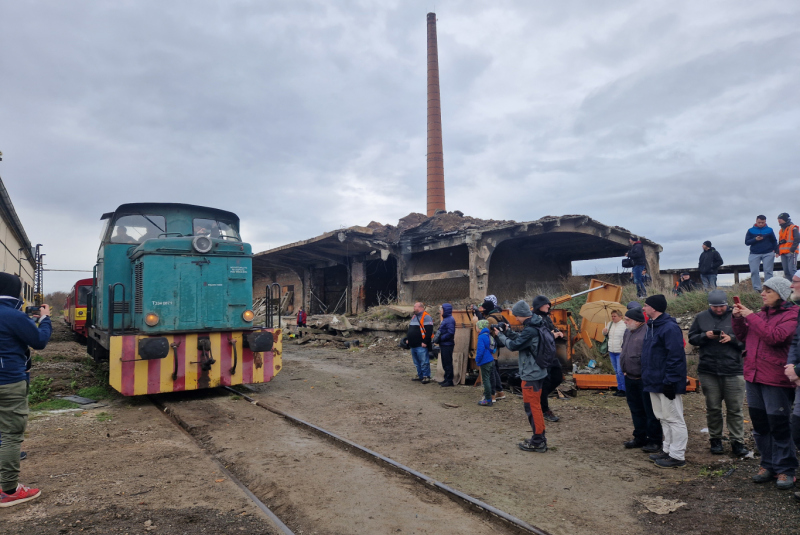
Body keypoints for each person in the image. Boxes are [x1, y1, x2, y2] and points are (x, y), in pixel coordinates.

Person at [732, 277, 799, 490]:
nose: (763, 294)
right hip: (753, 377)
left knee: (779, 424)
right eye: (763, 290)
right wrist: (738, 319)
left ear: (780, 293)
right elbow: (742, 335)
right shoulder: (761, 315)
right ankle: (767, 464)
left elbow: (775, 337)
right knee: (760, 425)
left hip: (776, 379)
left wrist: (751, 316)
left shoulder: (793, 315)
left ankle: (786, 469)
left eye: (768, 291)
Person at [0, 273, 52, 507]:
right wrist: (45, 319)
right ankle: (9, 490)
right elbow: (39, 341)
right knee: (11, 434)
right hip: (8, 382)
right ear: (15, 292)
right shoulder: (12, 315)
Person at [688, 290, 749, 456]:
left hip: (733, 369)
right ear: (710, 305)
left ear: (726, 304)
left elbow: (748, 341)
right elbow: (692, 338)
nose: (719, 309)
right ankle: (715, 440)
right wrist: (705, 336)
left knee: (735, 409)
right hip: (709, 370)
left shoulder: (736, 316)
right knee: (713, 408)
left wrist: (732, 339)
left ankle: (737, 442)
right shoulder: (701, 317)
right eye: (715, 307)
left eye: (721, 306)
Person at [641, 294, 688, 468]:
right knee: (663, 418)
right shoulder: (652, 326)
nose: (644, 308)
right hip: (654, 381)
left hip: (666, 382)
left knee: (674, 418)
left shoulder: (669, 328)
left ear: (654, 308)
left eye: (646, 305)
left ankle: (677, 455)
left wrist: (671, 381)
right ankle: (667, 449)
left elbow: (675, 356)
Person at [495, 300, 549, 453]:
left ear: (521, 315)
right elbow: (522, 339)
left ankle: (538, 441)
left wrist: (500, 335)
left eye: (516, 316)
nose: (515, 319)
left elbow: (513, 346)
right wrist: (508, 331)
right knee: (535, 406)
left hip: (531, 374)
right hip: (539, 371)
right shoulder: (536, 324)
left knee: (532, 408)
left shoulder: (530, 329)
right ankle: (540, 437)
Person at [620, 307, 662, 452]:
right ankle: (640, 437)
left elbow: (650, 355)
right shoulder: (628, 332)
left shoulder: (647, 332)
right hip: (630, 377)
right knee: (635, 409)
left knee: (650, 411)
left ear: (637, 321)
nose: (624, 322)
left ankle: (655, 440)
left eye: (627, 319)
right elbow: (624, 350)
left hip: (643, 379)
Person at [532, 295, 564, 421]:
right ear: (539, 305)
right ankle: (544, 409)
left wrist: (558, 332)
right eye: (546, 304)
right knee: (545, 382)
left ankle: (540, 397)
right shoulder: (535, 318)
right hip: (542, 355)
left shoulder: (547, 317)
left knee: (558, 377)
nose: (548, 306)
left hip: (551, 353)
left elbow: (551, 329)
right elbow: (541, 335)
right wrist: (553, 335)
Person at [477, 295, 507, 401]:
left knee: (490, 373)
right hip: (496, 347)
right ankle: (500, 392)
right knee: (495, 370)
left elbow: (486, 333)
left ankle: (492, 394)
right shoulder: (499, 316)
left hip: (490, 349)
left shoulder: (490, 319)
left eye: (483, 308)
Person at [745, 215, 778, 292]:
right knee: (754, 271)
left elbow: (774, 241)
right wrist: (755, 239)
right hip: (754, 253)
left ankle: (768, 288)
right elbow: (747, 242)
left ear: (765, 222)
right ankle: (757, 289)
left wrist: (775, 250)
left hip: (768, 253)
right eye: (759, 222)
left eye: (762, 222)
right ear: (756, 221)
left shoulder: (770, 230)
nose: (760, 224)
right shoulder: (750, 230)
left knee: (768, 271)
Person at [407, 302, 433, 384]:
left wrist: (425, 341)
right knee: (417, 362)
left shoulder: (426, 317)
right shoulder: (414, 317)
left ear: (421, 307)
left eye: (415, 307)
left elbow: (429, 331)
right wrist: (408, 339)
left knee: (424, 362)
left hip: (421, 344)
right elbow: (411, 330)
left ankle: (426, 376)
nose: (414, 308)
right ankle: (420, 375)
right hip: (413, 344)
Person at [603, 310, 627, 397]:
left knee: (620, 371)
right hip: (611, 349)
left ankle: (624, 389)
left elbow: (627, 336)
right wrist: (604, 332)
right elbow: (605, 334)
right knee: (616, 371)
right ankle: (619, 388)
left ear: (620, 317)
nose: (613, 318)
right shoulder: (609, 324)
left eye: (615, 316)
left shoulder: (624, 325)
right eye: (612, 316)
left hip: (620, 350)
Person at [475, 320, 495, 406]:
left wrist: (477, 359)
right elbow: (493, 348)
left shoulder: (481, 337)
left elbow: (480, 350)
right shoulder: (488, 335)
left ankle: (488, 399)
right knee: (490, 379)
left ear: (479, 328)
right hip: (490, 359)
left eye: (476, 326)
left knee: (486, 380)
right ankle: (491, 397)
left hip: (484, 361)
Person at [437, 303, 456, 387]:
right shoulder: (446, 319)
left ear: (445, 310)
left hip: (447, 344)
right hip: (444, 344)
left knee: (447, 362)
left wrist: (441, 338)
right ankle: (446, 379)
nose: (440, 311)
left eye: (442, 309)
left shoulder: (450, 319)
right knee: (445, 362)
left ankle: (449, 380)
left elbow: (451, 332)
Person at [777, 213, 799, 281]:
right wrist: (778, 251)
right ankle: (790, 288)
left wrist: (792, 249)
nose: (779, 221)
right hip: (783, 253)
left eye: (780, 219)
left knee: (792, 270)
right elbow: (780, 242)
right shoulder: (781, 230)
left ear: (785, 219)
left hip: (791, 252)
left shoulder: (793, 227)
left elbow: (797, 239)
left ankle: (797, 286)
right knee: (786, 271)